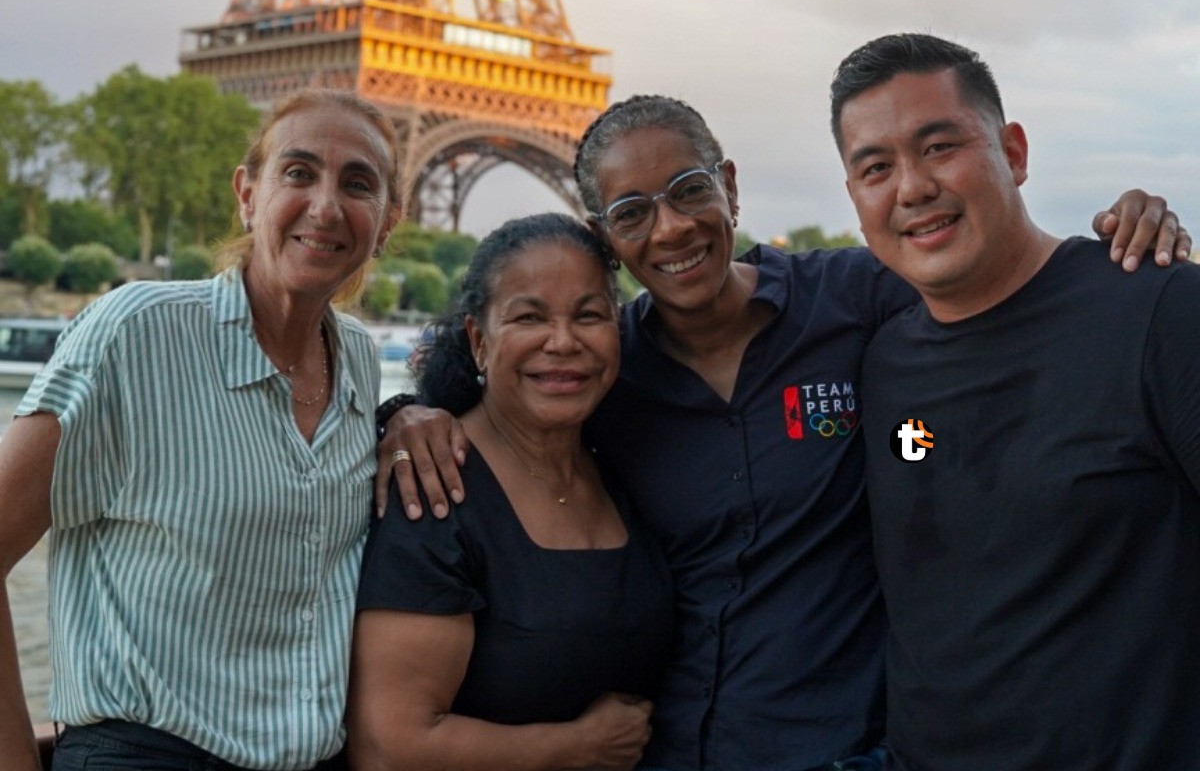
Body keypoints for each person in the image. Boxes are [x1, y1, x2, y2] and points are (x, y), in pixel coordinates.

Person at [377, 95, 1187, 770]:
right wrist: (404, 414)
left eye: (689, 190)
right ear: (606, 236)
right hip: (675, 751)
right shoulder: (604, 372)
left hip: (844, 748)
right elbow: (510, 411)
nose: (670, 229)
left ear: (729, 187)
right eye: (631, 212)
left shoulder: (859, 302)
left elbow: (996, 291)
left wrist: (1120, 239)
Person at [0, 88, 400, 770]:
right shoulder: (136, 334)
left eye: (357, 183)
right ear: (247, 194)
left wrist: (412, 416)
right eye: (299, 172)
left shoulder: (361, 361)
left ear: (387, 222)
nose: (327, 205)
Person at [831, 33, 1200, 770]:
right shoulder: (880, 361)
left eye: (939, 147)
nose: (910, 187)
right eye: (876, 168)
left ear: (1016, 153)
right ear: (855, 197)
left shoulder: (1160, 313)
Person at [347, 213, 674, 771]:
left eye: (590, 315)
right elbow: (387, 747)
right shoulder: (433, 489)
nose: (563, 341)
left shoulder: (620, 469)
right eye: (529, 317)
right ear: (479, 340)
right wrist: (577, 748)